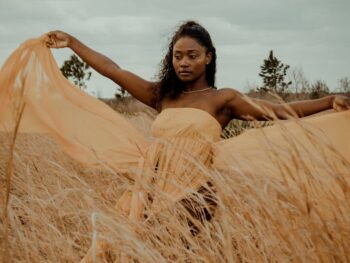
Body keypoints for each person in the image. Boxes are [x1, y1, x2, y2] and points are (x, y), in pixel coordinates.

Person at [1, 21, 349, 262]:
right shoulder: (163, 96)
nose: (183, 62)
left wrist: (327, 100)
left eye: (192, 55)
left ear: (208, 57)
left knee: (155, 250)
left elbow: (277, 111)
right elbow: (113, 69)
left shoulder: (223, 100)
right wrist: (73, 42)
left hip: (195, 194)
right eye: (178, 56)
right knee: (139, 252)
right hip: (150, 192)